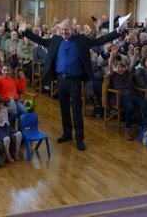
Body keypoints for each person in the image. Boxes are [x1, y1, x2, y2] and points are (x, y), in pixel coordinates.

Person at [19, 16, 125, 151]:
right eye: (62, 30)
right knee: (63, 108)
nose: (64, 32)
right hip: (61, 79)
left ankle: (79, 138)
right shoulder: (55, 40)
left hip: (75, 80)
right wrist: (25, 31)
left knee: (76, 109)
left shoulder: (81, 40)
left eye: (66, 30)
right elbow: (39, 40)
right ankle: (67, 133)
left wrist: (117, 31)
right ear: (59, 30)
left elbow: (100, 40)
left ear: (72, 29)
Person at [0, 94, 22, 168]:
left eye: (1, 104)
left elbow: (13, 108)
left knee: (19, 134)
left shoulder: (4, 108)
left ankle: (16, 152)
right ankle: (7, 154)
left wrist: (12, 100)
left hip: (6, 127)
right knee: (6, 139)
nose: (0, 106)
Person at [0, 64, 27, 128]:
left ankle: (20, 128)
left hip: (16, 99)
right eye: (4, 70)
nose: (6, 72)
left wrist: (22, 79)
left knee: (24, 111)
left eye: (8, 70)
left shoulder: (13, 79)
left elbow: (21, 90)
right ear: (1, 71)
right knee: (14, 112)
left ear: (10, 71)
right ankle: (11, 127)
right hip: (6, 100)